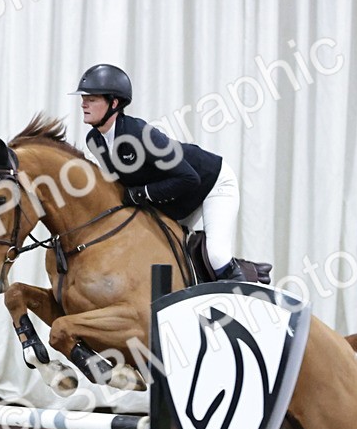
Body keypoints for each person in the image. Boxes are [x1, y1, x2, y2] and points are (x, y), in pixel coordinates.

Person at [72, 63, 247, 282]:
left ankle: (241, 290)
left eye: (91, 99)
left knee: (217, 255)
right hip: (177, 195)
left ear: (114, 103)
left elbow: (189, 178)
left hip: (212, 182)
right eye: (84, 98)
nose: (83, 104)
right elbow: (117, 183)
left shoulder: (138, 134)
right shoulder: (94, 140)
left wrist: (141, 193)